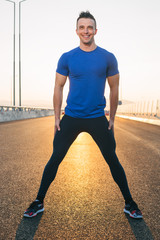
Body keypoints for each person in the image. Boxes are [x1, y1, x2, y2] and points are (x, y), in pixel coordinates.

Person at [24, 11, 142, 219]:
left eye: (89, 27)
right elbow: (58, 87)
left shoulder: (108, 57)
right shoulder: (67, 57)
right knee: (55, 159)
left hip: (97, 117)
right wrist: (56, 118)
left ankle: (129, 203)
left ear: (95, 30)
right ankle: (38, 201)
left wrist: (112, 118)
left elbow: (114, 89)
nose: (85, 31)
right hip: (72, 116)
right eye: (82, 27)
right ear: (77, 31)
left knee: (112, 159)